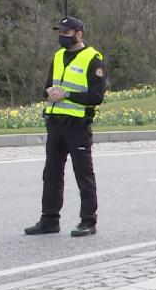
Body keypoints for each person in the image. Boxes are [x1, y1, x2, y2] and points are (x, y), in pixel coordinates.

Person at [25, 17, 106, 237]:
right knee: (51, 173)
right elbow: (48, 86)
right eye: (60, 32)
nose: (62, 36)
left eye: (66, 33)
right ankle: (49, 219)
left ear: (79, 34)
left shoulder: (93, 58)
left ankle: (88, 221)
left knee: (83, 174)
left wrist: (67, 95)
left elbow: (96, 96)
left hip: (77, 126)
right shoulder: (58, 56)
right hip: (55, 123)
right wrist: (48, 93)